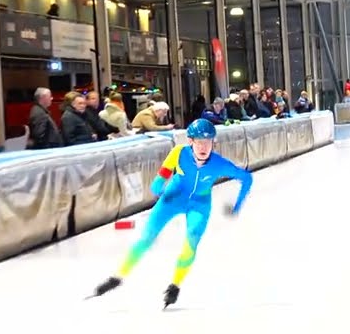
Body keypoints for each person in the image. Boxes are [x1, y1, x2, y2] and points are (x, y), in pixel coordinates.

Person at [91, 119, 252, 308]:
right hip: (172, 200)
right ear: (190, 141)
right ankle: (117, 277)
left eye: (207, 142)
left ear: (213, 143)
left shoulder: (219, 164)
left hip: (199, 204)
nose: (203, 146)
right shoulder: (178, 153)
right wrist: (160, 190)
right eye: (198, 141)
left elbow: (246, 178)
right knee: (146, 238)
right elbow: (158, 182)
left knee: (192, 239)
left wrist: (237, 206)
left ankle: (175, 285)